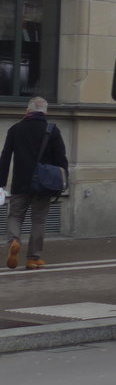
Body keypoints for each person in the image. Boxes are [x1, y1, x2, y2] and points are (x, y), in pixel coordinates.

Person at [0, 97, 69, 270]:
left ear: (27, 111)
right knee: (39, 220)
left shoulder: (15, 129)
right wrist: (63, 179)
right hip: (43, 184)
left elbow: (5, 157)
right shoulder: (52, 130)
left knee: (15, 216)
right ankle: (33, 258)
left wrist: (1, 183)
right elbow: (61, 158)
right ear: (45, 112)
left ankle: (14, 241)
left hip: (20, 182)